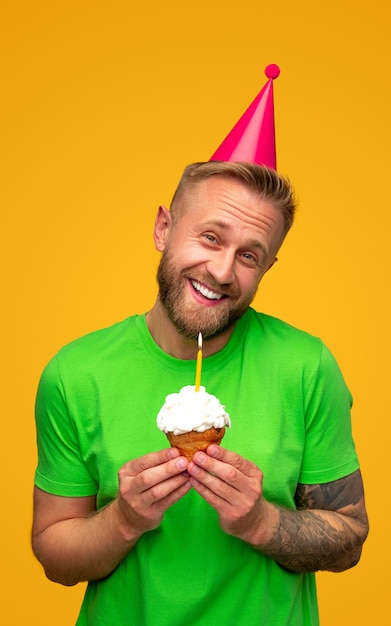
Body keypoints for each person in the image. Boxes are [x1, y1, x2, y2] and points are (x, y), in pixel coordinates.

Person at [32, 69, 368, 626]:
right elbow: (54, 557)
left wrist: (260, 522)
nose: (222, 270)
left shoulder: (307, 365)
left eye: (249, 254)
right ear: (164, 228)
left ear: (268, 267)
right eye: (210, 237)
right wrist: (124, 520)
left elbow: (349, 536)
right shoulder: (76, 373)